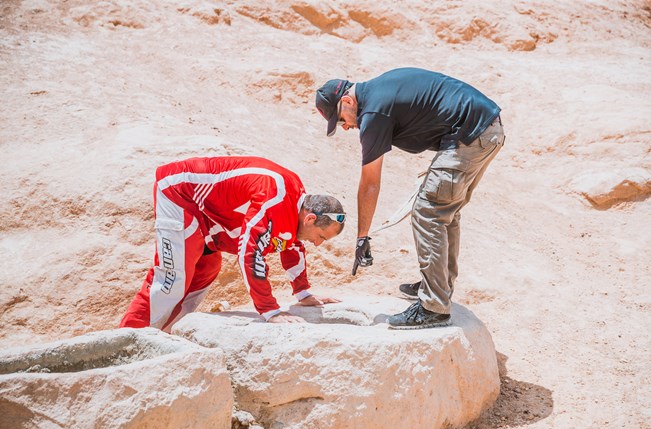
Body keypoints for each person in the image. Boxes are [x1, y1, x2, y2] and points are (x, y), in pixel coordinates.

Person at [315, 67, 505, 329]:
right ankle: (437, 285)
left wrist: (362, 237)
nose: (346, 127)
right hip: (484, 129)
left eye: (340, 120)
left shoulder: (373, 112)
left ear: (347, 102)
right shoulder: (379, 91)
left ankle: (434, 307)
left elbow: (370, 183)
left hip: (470, 134)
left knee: (429, 211)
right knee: (444, 211)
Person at [120, 156, 346, 331]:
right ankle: (127, 341)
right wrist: (270, 310)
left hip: (207, 214)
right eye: (321, 237)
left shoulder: (295, 205)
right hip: (178, 192)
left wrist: (303, 293)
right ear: (310, 219)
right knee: (172, 279)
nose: (317, 244)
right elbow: (249, 253)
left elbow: (291, 244)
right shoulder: (275, 197)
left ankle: (166, 336)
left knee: (206, 269)